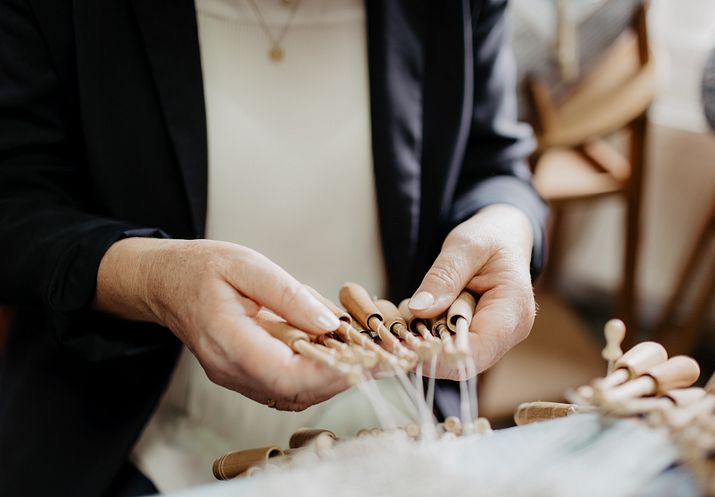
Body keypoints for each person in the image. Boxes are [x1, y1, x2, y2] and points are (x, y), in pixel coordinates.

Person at [0, 0, 547, 495]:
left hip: (398, 429)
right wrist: (149, 280)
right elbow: (17, 197)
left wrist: (508, 223)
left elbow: (492, 160)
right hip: (121, 436)